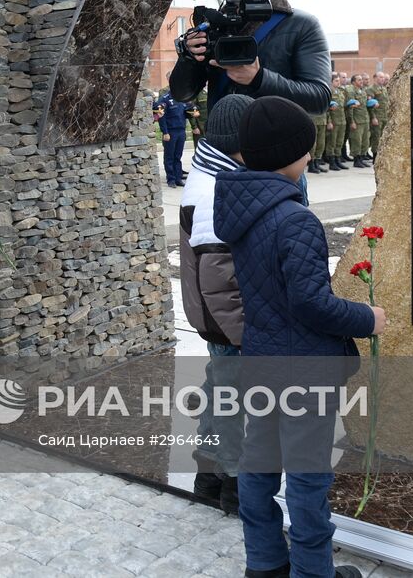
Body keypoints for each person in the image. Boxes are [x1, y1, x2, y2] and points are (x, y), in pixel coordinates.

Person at [214, 96, 385, 578]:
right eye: (306, 150)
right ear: (289, 154)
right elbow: (311, 304)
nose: (311, 157)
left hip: (263, 360)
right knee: (309, 478)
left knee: (259, 465)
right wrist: (366, 317)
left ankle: (265, 563)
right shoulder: (296, 220)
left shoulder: (241, 212)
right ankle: (313, 571)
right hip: (305, 369)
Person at [177, 94, 254, 516]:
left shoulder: (215, 170)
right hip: (226, 319)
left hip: (214, 315)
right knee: (232, 396)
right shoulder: (217, 188)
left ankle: (207, 474)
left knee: (219, 386)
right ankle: (235, 483)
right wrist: (245, 334)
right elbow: (219, 278)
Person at [169, 0, 331, 115]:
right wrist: (189, 57)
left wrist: (260, 79)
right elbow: (182, 94)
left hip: (276, 138)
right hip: (221, 138)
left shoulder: (302, 25)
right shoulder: (215, 26)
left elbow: (319, 99)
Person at [154, 88, 190, 186]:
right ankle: (171, 179)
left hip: (181, 131)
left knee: (178, 156)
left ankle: (178, 178)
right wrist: (165, 132)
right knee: (169, 157)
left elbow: (186, 113)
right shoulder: (164, 99)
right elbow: (162, 117)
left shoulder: (182, 98)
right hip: (171, 132)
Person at [323, 73, 348, 172]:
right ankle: (332, 162)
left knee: (339, 142)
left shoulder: (340, 92)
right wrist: (329, 121)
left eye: (338, 80)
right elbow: (326, 109)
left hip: (342, 120)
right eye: (336, 81)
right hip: (334, 121)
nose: (338, 82)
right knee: (332, 142)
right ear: (331, 82)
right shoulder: (329, 92)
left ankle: (338, 160)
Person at [347, 73, 372, 167]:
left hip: (365, 119)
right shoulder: (351, 92)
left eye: (362, 79)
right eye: (359, 80)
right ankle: (356, 160)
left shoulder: (362, 91)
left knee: (365, 141)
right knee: (356, 141)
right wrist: (352, 121)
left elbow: (365, 106)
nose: (361, 81)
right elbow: (350, 108)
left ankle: (361, 158)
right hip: (357, 120)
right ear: (353, 82)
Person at [368, 71, 390, 159]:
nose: (382, 79)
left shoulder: (383, 89)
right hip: (377, 117)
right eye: (380, 77)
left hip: (384, 117)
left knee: (383, 137)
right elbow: (370, 105)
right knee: (376, 137)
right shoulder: (371, 89)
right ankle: (375, 157)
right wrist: (373, 117)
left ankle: (381, 156)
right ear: (375, 78)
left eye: (383, 77)